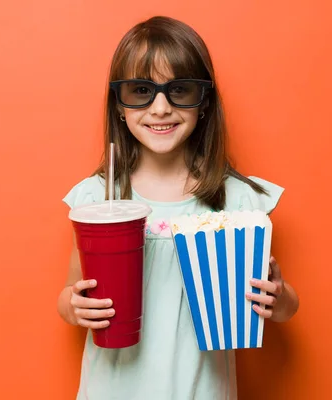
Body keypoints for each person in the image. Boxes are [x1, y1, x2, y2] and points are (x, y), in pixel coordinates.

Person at [57, 15, 299, 400]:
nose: (160, 108)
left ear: (203, 102)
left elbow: (283, 307)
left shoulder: (235, 200)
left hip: (201, 390)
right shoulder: (98, 199)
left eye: (180, 90)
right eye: (140, 91)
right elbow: (71, 292)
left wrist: (279, 297)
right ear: (119, 105)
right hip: (113, 389)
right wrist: (74, 307)